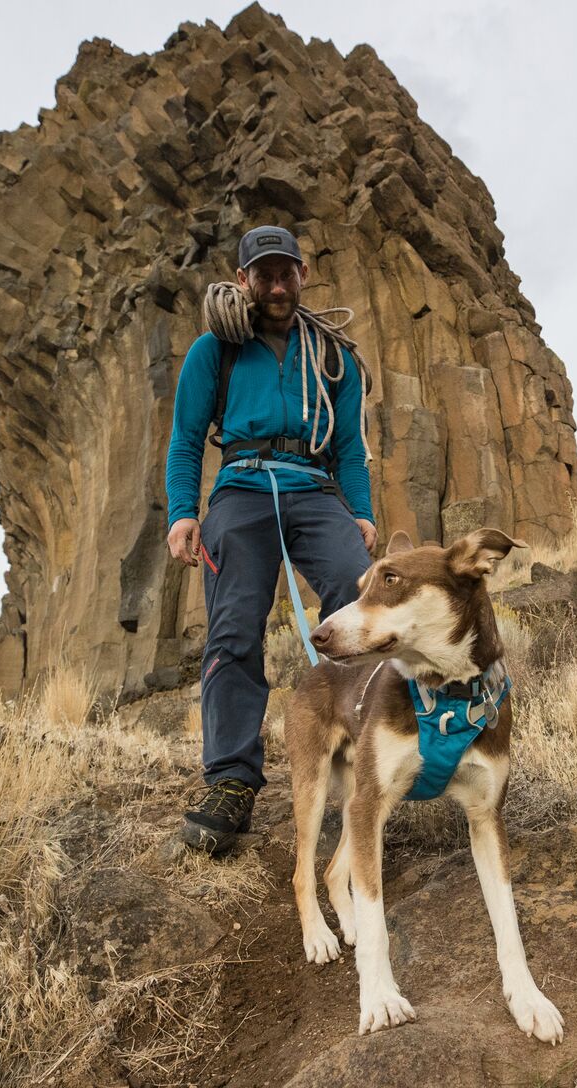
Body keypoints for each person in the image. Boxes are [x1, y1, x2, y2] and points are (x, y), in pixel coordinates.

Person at [163, 224, 377, 854]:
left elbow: (351, 450)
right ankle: (231, 781)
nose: (277, 285)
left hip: (314, 487)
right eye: (264, 275)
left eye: (287, 273)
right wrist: (183, 513)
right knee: (233, 624)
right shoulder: (214, 351)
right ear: (243, 281)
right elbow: (184, 438)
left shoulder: (333, 357)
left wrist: (360, 514)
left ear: (303, 275)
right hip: (241, 489)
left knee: (355, 595)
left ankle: (365, 755)